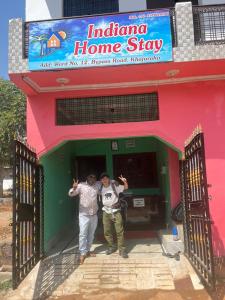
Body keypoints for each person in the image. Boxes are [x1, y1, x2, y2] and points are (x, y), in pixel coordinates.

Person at [68, 174, 99, 264]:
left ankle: (88, 251)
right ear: (87, 178)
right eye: (90, 177)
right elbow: (71, 194)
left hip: (94, 215)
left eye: (93, 178)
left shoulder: (96, 186)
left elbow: (105, 187)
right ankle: (82, 253)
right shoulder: (81, 185)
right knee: (82, 234)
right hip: (83, 215)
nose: (92, 179)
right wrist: (73, 188)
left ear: (95, 179)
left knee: (91, 234)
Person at [99, 172, 129, 258]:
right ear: (101, 180)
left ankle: (122, 250)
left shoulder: (114, 186)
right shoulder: (100, 188)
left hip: (115, 210)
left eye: (106, 178)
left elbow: (126, 187)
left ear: (108, 179)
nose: (104, 180)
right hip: (105, 211)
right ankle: (111, 247)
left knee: (119, 231)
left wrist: (125, 181)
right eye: (102, 178)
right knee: (107, 231)